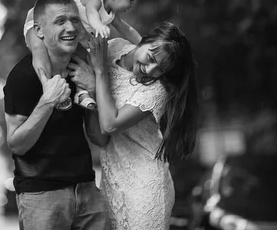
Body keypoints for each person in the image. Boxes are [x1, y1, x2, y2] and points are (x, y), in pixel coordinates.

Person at [68, 21, 199, 230]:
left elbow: (110, 125)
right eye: (151, 58)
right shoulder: (114, 48)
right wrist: (90, 91)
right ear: (145, 41)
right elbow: (101, 137)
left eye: (161, 69)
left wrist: (98, 76)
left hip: (145, 185)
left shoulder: (157, 89)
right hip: (112, 180)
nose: (151, 70)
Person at [3, 0, 110, 230]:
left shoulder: (80, 69)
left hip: (86, 189)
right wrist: (47, 102)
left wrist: (92, 89)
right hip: (41, 196)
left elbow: (100, 138)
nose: (70, 27)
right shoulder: (22, 77)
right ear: (39, 31)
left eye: (74, 20)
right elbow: (16, 143)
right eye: (60, 21)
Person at [24, 0, 149, 109]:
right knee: (38, 50)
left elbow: (127, 29)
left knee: (88, 61)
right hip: (37, 19)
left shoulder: (111, 13)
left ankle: (81, 94)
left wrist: (145, 44)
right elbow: (91, 14)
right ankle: (47, 86)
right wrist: (98, 26)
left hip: (69, 35)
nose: (132, 4)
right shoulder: (94, 0)